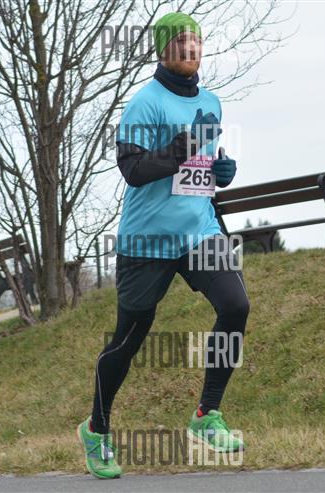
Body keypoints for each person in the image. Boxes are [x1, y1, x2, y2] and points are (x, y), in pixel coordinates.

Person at [77, 12, 249, 479]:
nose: (191, 50)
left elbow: (203, 165)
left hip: (199, 230)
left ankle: (207, 415)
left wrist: (221, 171)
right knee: (128, 340)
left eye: (196, 42)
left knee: (235, 306)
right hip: (147, 240)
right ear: (163, 50)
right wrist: (177, 151)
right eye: (181, 43)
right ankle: (96, 430)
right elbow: (132, 170)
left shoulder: (211, 102)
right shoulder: (144, 104)